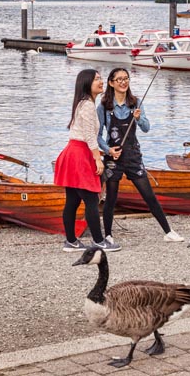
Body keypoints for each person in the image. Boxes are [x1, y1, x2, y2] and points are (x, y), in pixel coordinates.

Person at [97, 67, 184, 247]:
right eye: (119, 79)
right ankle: (108, 235)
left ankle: (168, 231)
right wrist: (108, 150)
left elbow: (146, 128)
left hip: (133, 155)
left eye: (126, 78)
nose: (123, 82)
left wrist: (138, 118)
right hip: (114, 158)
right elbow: (97, 135)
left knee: (149, 195)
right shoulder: (104, 106)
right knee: (111, 198)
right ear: (111, 83)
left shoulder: (135, 103)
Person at [54, 69, 120, 252]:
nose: (101, 81)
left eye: (100, 78)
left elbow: (84, 135)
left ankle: (71, 241)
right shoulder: (88, 106)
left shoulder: (82, 103)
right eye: (97, 79)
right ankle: (98, 241)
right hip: (80, 155)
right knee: (91, 198)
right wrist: (98, 159)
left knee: (73, 201)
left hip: (73, 152)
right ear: (86, 83)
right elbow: (90, 136)